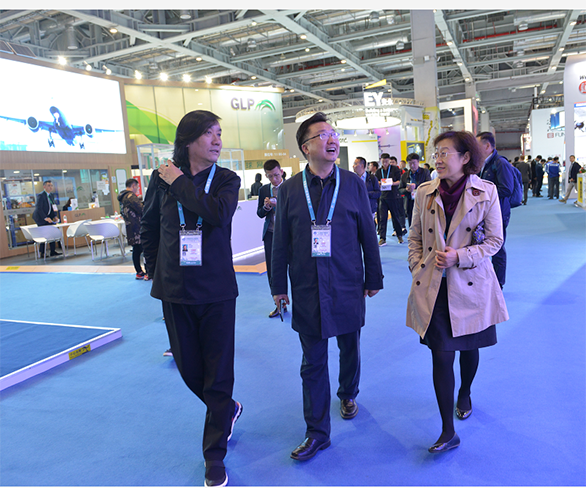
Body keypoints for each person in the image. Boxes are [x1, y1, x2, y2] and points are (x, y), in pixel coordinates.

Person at [271, 112, 383, 462]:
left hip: (347, 281)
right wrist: (278, 286)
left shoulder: (353, 183)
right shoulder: (290, 190)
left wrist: (374, 277)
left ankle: (348, 392)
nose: (332, 139)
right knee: (312, 363)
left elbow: (367, 233)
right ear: (306, 147)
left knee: (350, 347)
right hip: (307, 287)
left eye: (333, 133)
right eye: (322, 135)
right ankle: (317, 433)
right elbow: (280, 242)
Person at [141, 110, 242, 488]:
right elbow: (150, 227)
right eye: (209, 134)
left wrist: (180, 182)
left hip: (217, 291)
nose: (217, 141)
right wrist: (157, 269)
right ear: (187, 140)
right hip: (175, 290)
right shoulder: (160, 179)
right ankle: (228, 408)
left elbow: (218, 214)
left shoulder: (226, 180)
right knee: (189, 370)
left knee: (219, 374)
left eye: (219, 133)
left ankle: (214, 455)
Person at [407, 130, 509, 454]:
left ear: (465, 158)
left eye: (445, 153)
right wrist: (416, 265)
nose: (438, 159)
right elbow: (414, 236)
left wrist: (460, 257)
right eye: (436, 153)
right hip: (434, 284)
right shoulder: (424, 191)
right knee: (441, 354)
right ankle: (447, 431)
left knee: (468, 348)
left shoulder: (486, 191)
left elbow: (494, 241)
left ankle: (465, 391)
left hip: (470, 284)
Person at [476, 132, 514, 289]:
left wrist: (483, 193)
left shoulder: (500, 163)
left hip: (499, 213)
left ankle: (499, 283)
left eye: (477, 145)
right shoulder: (484, 163)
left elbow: (507, 189)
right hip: (485, 212)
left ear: (487, 146)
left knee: (497, 248)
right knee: (483, 246)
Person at [257, 159, 286, 318]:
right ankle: (279, 305)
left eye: (276, 175)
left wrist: (278, 204)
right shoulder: (263, 190)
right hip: (270, 234)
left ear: (281, 172)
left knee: (296, 269)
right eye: (270, 176)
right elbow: (259, 213)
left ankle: (299, 303)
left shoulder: (291, 187)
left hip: (289, 235)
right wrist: (266, 207)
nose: (274, 179)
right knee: (273, 271)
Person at [118, 178, 146, 279]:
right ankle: (148, 272)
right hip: (138, 227)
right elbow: (142, 209)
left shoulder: (122, 198)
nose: (137, 189)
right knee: (144, 248)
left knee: (136, 250)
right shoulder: (131, 197)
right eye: (137, 187)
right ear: (133, 186)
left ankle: (139, 272)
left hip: (130, 227)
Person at [375, 153, 404, 245]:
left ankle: (399, 235)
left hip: (393, 196)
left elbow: (399, 181)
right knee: (382, 218)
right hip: (383, 197)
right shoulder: (378, 171)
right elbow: (376, 182)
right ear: (381, 161)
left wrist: (391, 183)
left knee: (395, 217)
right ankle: (382, 238)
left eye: (386, 161)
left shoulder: (395, 169)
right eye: (383, 161)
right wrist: (380, 183)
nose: (385, 163)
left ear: (389, 160)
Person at [399, 153, 431, 228]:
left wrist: (416, 186)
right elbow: (400, 190)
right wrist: (406, 190)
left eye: (414, 163)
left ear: (418, 162)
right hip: (410, 203)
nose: (412, 165)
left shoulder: (425, 172)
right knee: (412, 225)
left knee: (424, 225)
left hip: (423, 202)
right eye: (410, 163)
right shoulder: (405, 175)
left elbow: (429, 185)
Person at [32, 180, 61, 258]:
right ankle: (42, 252)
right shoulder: (41, 195)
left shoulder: (51, 195)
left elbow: (52, 206)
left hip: (48, 217)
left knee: (51, 232)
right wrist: (45, 218)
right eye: (48, 185)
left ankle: (53, 251)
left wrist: (55, 216)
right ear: (44, 187)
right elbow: (39, 208)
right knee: (44, 234)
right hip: (40, 218)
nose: (50, 187)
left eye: (51, 185)